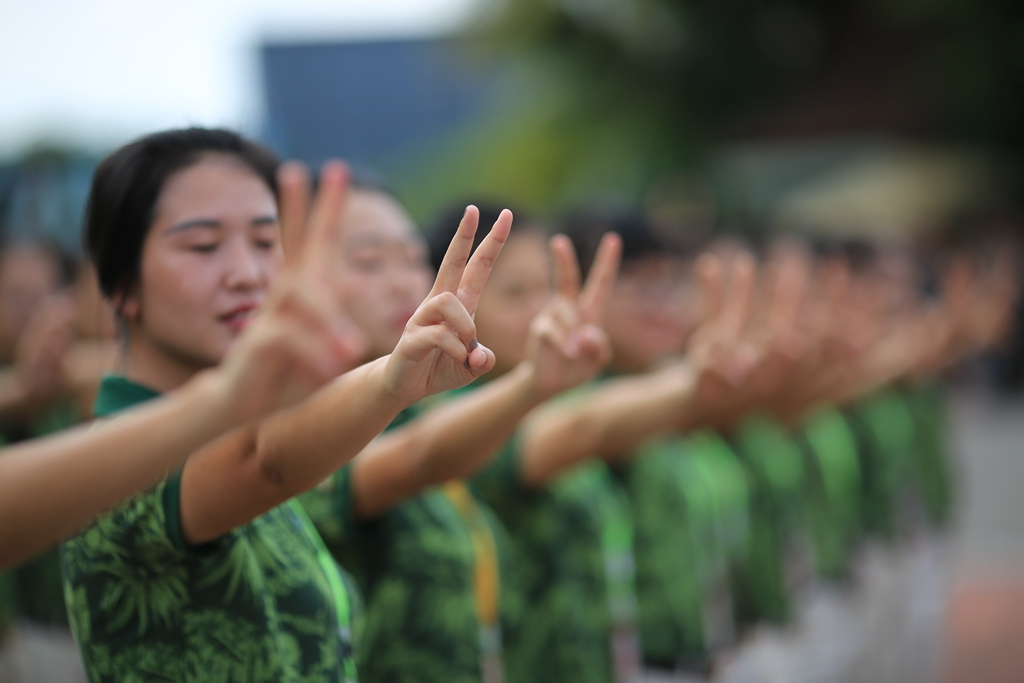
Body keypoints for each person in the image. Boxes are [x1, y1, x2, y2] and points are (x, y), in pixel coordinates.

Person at [58, 127, 512, 683]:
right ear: (121, 283)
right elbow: (262, 462)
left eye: (265, 242)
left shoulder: (260, 432)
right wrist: (392, 380)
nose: (247, 274)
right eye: (203, 246)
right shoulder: (116, 468)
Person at [299, 189, 621, 683]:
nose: (404, 282)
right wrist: (532, 384)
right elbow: (417, 457)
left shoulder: (434, 406)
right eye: (368, 262)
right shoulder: (295, 432)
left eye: (412, 260)